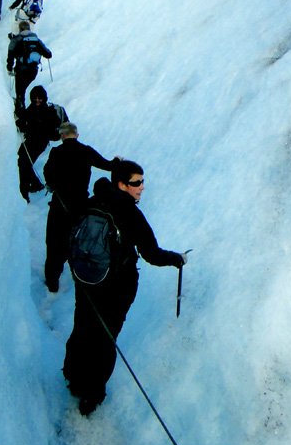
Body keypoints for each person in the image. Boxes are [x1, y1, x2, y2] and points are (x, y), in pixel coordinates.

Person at [63, 158, 187, 416]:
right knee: (105, 339)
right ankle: (91, 395)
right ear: (121, 184)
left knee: (83, 327)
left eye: (142, 181)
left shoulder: (91, 202)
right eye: (136, 183)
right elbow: (151, 253)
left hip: (86, 279)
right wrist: (177, 259)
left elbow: (72, 235)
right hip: (116, 286)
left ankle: (73, 377)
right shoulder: (130, 213)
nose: (142, 187)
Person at [43, 121, 114, 293]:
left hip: (59, 206)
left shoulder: (56, 152)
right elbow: (107, 165)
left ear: (61, 136)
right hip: (81, 206)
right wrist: (117, 162)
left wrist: (54, 185)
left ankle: (52, 282)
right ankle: (80, 276)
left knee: (54, 243)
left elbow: (48, 174)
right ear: (77, 135)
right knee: (76, 240)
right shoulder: (86, 151)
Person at [16, 86, 67, 202]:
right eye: (35, 98)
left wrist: (31, 126)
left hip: (40, 142)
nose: (37, 101)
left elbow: (47, 131)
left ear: (44, 98)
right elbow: (27, 117)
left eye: (40, 98)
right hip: (32, 140)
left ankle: (24, 192)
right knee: (23, 161)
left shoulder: (49, 112)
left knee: (24, 162)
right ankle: (35, 184)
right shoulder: (33, 108)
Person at [6, 21, 52, 116]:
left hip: (21, 69)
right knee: (23, 89)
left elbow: (11, 53)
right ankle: (24, 112)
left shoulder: (17, 38)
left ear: (20, 29)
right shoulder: (36, 40)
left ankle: (20, 114)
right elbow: (48, 54)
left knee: (20, 92)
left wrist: (9, 68)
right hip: (33, 71)